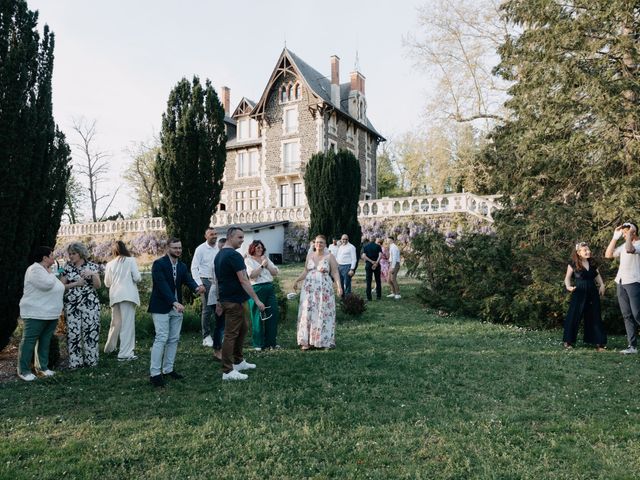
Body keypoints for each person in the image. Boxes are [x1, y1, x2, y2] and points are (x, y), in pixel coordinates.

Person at [148, 238, 205, 387]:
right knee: (161, 337)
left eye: (179, 248)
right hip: (161, 306)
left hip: (177, 306)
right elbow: (162, 286)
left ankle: (168, 369)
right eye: (175, 248)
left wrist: (197, 288)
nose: (178, 251)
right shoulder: (159, 264)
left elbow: (188, 279)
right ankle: (155, 374)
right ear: (168, 248)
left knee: (173, 339)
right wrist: (174, 302)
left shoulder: (182, 266)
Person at [214, 227, 265, 381]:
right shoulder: (234, 256)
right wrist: (257, 299)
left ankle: (238, 361)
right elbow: (244, 279)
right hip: (234, 301)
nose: (243, 240)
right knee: (231, 334)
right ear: (230, 237)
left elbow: (217, 280)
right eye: (240, 237)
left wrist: (218, 300)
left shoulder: (219, 255)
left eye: (243, 237)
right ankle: (228, 371)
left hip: (231, 299)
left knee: (243, 328)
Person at [17, 246, 65, 381]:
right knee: (29, 341)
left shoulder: (46, 270)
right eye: (51, 255)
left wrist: (50, 272)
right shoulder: (35, 269)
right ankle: (24, 371)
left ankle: (42, 368)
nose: (53, 258)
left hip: (50, 313)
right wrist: (51, 272)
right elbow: (47, 285)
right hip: (35, 313)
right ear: (44, 258)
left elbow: (59, 286)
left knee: (45, 341)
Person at [294, 235, 343, 350]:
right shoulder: (310, 256)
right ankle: (307, 341)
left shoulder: (330, 256)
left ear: (325, 244)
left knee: (323, 311)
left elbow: (335, 272)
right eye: (317, 242)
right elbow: (306, 271)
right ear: (314, 243)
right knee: (308, 312)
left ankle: (324, 340)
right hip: (309, 289)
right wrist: (297, 280)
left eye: (321, 242)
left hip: (324, 289)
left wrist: (339, 287)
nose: (318, 244)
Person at [61, 242, 102, 369]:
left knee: (91, 332)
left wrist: (93, 274)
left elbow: (98, 286)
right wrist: (75, 284)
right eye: (70, 254)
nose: (71, 256)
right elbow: (61, 287)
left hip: (90, 304)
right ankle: (75, 363)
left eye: (74, 253)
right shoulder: (66, 268)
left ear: (81, 253)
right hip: (72, 305)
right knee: (73, 334)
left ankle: (91, 362)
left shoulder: (92, 266)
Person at [563, 242, 607, 350]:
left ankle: (599, 343)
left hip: (592, 292)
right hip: (579, 292)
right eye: (585, 250)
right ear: (578, 253)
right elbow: (567, 278)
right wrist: (568, 287)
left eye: (588, 250)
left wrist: (602, 285)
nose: (588, 252)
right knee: (574, 315)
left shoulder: (592, 263)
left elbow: (597, 275)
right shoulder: (572, 264)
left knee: (595, 316)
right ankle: (568, 341)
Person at [605, 222, 640, 354]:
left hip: (634, 283)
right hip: (621, 282)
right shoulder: (624, 244)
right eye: (624, 232)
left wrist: (629, 235)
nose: (624, 234)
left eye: (627, 232)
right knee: (627, 315)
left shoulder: (637, 244)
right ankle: (632, 347)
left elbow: (630, 250)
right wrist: (615, 237)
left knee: (637, 314)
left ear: (634, 232)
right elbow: (608, 255)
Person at [103, 240, 141, 361]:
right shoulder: (131, 261)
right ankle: (125, 353)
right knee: (127, 325)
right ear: (125, 249)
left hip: (115, 295)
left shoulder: (110, 264)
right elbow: (137, 277)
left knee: (115, 323)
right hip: (128, 295)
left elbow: (107, 283)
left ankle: (109, 348)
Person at [245, 240, 280, 351]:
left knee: (272, 313)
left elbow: (274, 273)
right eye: (257, 247)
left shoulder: (266, 259)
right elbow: (252, 275)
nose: (260, 249)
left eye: (261, 247)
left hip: (269, 287)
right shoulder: (248, 260)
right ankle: (258, 344)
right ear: (253, 248)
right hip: (257, 288)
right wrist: (261, 266)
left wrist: (266, 264)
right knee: (257, 316)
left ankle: (271, 343)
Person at [190, 227, 219, 348]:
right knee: (207, 309)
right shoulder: (200, 249)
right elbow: (194, 267)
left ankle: (219, 334)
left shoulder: (219, 248)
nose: (214, 236)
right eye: (211, 234)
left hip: (218, 281)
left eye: (215, 234)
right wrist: (199, 284)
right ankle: (206, 337)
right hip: (205, 280)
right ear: (206, 236)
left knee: (219, 307)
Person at [206, 237, 227, 361]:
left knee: (223, 324)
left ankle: (222, 349)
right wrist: (219, 300)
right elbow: (217, 281)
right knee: (220, 324)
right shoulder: (218, 261)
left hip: (221, 294)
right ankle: (217, 350)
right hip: (217, 295)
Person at [361, 236, 382, 301]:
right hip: (377, 264)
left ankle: (369, 297)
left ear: (369, 240)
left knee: (368, 281)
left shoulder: (366, 246)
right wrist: (376, 262)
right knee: (378, 280)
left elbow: (364, 256)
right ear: (375, 239)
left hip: (369, 264)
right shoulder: (378, 246)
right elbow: (380, 255)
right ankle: (378, 296)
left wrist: (371, 261)